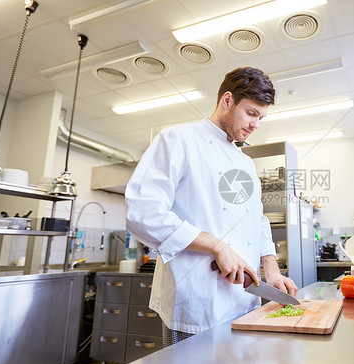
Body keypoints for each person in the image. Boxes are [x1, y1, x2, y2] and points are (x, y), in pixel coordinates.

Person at [125, 67, 298, 346]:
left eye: (261, 118)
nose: (256, 124)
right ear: (227, 101)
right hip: (196, 304)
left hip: (245, 301)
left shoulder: (245, 162)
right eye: (251, 113)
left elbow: (257, 219)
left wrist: (271, 269)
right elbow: (142, 213)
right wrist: (216, 245)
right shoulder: (177, 139)